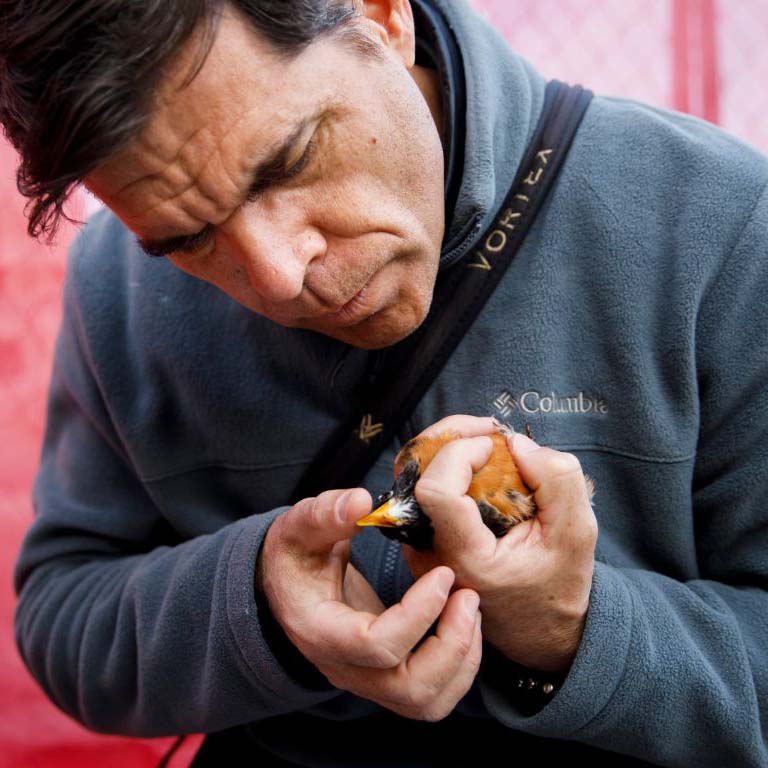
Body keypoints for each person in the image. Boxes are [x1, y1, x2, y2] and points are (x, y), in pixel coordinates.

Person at [3, 0, 767, 765]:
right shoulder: (115, 283)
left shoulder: (726, 224)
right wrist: (258, 606)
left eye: (287, 161)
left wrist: (571, 631)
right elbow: (65, 618)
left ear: (380, 16)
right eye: (190, 241)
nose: (277, 278)